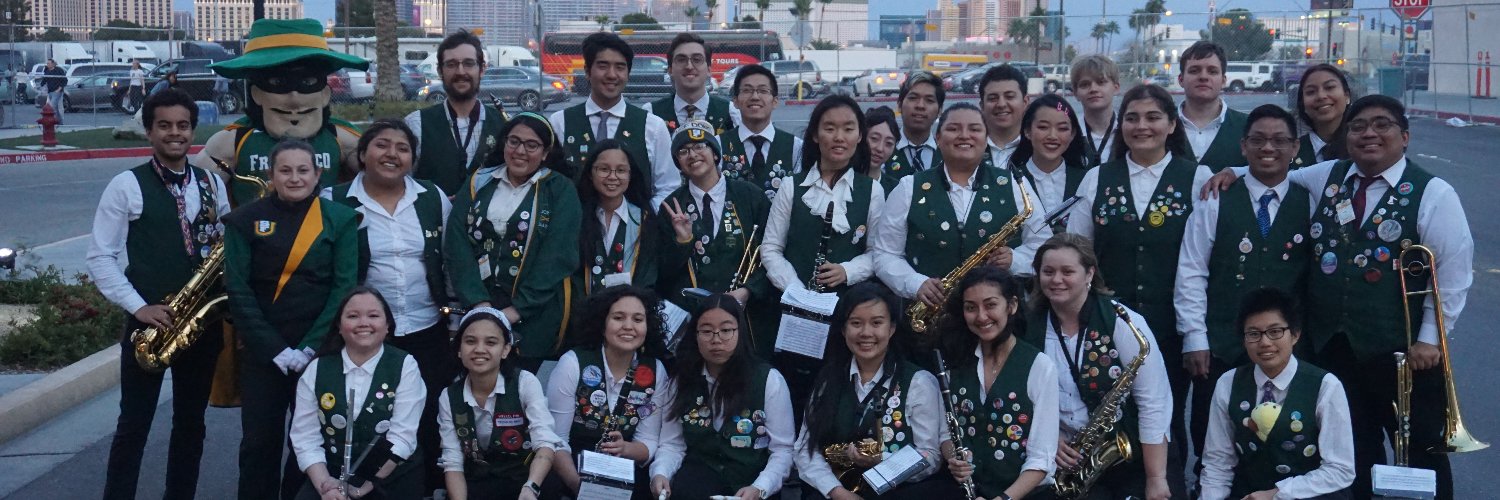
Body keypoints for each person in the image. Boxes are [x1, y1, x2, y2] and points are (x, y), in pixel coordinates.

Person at [1201, 95, 1473, 500]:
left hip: (1403, 350)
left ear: (1405, 136)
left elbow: (1452, 273)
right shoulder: (1329, 174)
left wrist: (1431, 337)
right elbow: (1275, 170)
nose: (1368, 134)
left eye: (1381, 125)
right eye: (1358, 126)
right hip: (1335, 348)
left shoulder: (1433, 192)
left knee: (1420, 452)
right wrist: (1234, 170)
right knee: (1353, 450)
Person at [1065, 84, 1213, 495]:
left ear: (1171, 124)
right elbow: (1079, 252)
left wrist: (1195, 334)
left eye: (1152, 117)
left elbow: (1200, 262)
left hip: (1171, 326)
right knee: (1107, 421)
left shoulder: (1197, 176)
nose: (1141, 126)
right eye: (1132, 117)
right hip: (1108, 326)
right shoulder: (1098, 178)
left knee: (1164, 418)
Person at [86, 89, 232, 500]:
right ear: (149, 131)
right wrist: (140, 307)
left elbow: (221, 244)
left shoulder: (209, 181)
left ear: (193, 130)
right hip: (149, 322)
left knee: (191, 423)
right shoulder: (125, 185)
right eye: (164, 126)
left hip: (199, 319)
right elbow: (100, 257)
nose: (175, 134)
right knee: (134, 425)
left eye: (183, 126)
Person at [1176, 104, 1314, 483]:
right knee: (1213, 435)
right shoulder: (1216, 198)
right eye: (1258, 140)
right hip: (1222, 342)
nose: (1268, 148)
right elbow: (1191, 270)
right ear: (1242, 146)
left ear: (1295, 147)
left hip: (1288, 346)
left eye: (1279, 140)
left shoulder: (1312, 197)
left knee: (1288, 438)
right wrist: (1195, 337)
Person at [223, 138, 361, 499]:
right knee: (257, 445)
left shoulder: (341, 220)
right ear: (271, 174)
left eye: (304, 170)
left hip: (322, 353)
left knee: (313, 446)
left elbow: (344, 289)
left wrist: (311, 347)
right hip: (263, 353)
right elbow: (237, 290)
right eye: (285, 170)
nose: (295, 177)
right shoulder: (243, 220)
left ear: (318, 175)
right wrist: (275, 350)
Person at [323, 118, 453, 496]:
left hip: (427, 328)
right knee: (367, 418)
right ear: (362, 153)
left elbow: (446, 261)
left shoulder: (431, 197)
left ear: (412, 158)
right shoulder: (335, 200)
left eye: (402, 148)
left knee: (429, 418)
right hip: (367, 335)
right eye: (382, 145)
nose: (392, 154)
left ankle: (429, 489)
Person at [760, 95, 885, 421]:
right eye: (829, 128)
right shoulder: (791, 186)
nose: (839, 137)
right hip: (794, 312)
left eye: (848, 129)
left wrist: (846, 271)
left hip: (846, 314)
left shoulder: (872, 191)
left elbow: (879, 254)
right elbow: (770, 249)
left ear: (860, 136)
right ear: (815, 135)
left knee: (836, 393)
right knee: (793, 391)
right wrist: (796, 290)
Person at [1022, 233, 1172, 500]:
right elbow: (1022, 396)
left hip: (1125, 455)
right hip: (1057, 458)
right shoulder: (1027, 325)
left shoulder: (1124, 324)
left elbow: (1153, 403)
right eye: (1048, 271)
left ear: (1089, 273)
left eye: (1067, 271)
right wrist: (1051, 439)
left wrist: (1156, 479)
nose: (1056, 280)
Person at [875, 103, 1050, 311]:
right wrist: (916, 283)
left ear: (986, 140)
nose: (964, 135)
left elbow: (1044, 245)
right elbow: (885, 254)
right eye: (953, 129)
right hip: (929, 318)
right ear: (938, 138)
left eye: (975, 129)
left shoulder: (1013, 184)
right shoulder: (908, 187)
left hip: (997, 319)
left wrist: (1016, 260)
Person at [447, 113, 581, 370]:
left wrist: (515, 311)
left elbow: (557, 255)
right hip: (480, 309)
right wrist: (481, 306)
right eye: (514, 141)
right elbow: (456, 242)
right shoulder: (479, 181)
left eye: (532, 145)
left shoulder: (560, 189)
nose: (520, 151)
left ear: (545, 153)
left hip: (535, 314)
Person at [1198, 287, 1355, 500]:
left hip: (1309, 495)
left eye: (1275, 332)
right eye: (1254, 334)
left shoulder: (1326, 385)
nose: (1265, 342)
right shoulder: (1227, 383)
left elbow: (1340, 470)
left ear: (1295, 335)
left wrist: (1277, 494)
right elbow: (1218, 462)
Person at [651, 294, 796, 499]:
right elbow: (672, 443)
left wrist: (760, 487)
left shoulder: (769, 380)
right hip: (699, 481)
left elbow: (782, 450)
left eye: (726, 331)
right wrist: (660, 473)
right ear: (695, 335)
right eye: (707, 331)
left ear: (740, 331)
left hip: (752, 482)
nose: (716, 340)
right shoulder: (681, 380)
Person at [288, 287, 426, 499]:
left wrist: (364, 484)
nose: (363, 323)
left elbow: (403, 436)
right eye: (353, 316)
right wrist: (326, 486)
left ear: (387, 325)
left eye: (373, 316)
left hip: (389, 473)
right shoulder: (317, 369)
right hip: (331, 473)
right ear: (339, 326)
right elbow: (305, 437)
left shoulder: (405, 365)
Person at [937, 266, 1059, 500]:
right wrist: (954, 460)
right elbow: (946, 434)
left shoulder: (1040, 366)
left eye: (990, 305)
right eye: (971, 308)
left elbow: (1041, 458)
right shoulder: (955, 363)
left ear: (1011, 306)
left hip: (1022, 495)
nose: (981, 316)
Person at [544, 286, 672, 499]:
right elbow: (557, 439)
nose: (628, 326)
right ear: (602, 324)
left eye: (638, 319)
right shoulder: (573, 363)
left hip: (624, 465)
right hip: (573, 460)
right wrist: (581, 488)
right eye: (618, 317)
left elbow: (649, 440)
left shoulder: (655, 370)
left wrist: (625, 448)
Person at [655, 120, 772, 329]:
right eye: (683, 151)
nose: (692, 155)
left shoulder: (750, 196)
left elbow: (773, 253)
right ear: (678, 164)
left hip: (746, 317)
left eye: (699, 146)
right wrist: (683, 243)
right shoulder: (671, 207)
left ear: (715, 154)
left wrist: (748, 291)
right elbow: (662, 273)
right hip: (692, 319)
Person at [437, 307, 560, 500]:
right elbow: (453, 462)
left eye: (491, 342)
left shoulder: (525, 382)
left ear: (505, 350)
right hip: (478, 480)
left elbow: (544, 443)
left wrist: (531, 487)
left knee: (550, 486)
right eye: (470, 341)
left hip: (524, 477)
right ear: (459, 350)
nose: (479, 349)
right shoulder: (449, 396)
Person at [549, 32, 677, 208]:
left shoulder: (652, 126)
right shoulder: (559, 123)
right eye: (603, 66)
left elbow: (668, 187)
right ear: (587, 71)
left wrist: (640, 220)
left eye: (620, 67)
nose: (612, 75)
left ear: (628, 73)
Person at [405, 30, 509, 196]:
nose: (461, 72)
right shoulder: (415, 124)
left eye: (468, 63)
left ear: (482, 69)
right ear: (440, 71)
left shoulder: (505, 125)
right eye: (451, 64)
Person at [573, 139, 661, 298]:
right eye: (604, 169)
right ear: (590, 174)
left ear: (630, 175)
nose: (612, 177)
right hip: (584, 314)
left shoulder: (644, 219)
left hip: (629, 314)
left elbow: (647, 277)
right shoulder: (577, 217)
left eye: (621, 170)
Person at [719, 63, 803, 201]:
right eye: (747, 90)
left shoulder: (796, 147)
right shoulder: (717, 145)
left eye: (763, 91)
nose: (755, 97)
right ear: (735, 101)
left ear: (775, 101)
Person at [1008, 94, 1089, 234]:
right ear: (1027, 131)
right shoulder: (1010, 182)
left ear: (1073, 134)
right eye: (1043, 127)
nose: (1052, 136)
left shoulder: (1087, 180)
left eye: (1062, 128)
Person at [644, 33, 740, 134]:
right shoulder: (650, 113)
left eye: (697, 60)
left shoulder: (732, 113)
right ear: (670, 70)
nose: (689, 66)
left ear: (708, 69)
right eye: (681, 60)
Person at [1177, 41, 1248, 171]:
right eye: (1194, 71)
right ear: (1181, 79)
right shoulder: (1160, 127)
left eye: (1212, 71)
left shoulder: (1248, 126)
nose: (1203, 76)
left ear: (1223, 80)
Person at [882, 71, 944, 182]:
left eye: (929, 100)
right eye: (913, 98)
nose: (920, 105)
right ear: (899, 105)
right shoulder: (881, 151)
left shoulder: (948, 155)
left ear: (940, 110)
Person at [1293, 63, 1352, 168]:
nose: (1321, 96)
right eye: (1311, 92)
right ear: (1303, 104)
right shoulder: (1292, 152)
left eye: (1329, 87)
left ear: (1346, 96)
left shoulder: (1362, 146)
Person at [1069, 55, 1122, 167]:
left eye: (1101, 82)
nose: (1093, 89)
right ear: (1075, 93)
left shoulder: (1128, 131)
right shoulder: (1068, 133)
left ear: (1116, 88)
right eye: (1085, 84)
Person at [979, 65, 1031, 170]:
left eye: (1010, 97)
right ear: (982, 106)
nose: (1001, 104)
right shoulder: (969, 147)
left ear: (1025, 102)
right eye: (993, 98)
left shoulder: (1038, 148)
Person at [863, 106, 901, 193]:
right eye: (874, 138)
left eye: (889, 143)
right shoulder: (841, 179)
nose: (880, 148)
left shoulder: (896, 189)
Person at [42, 59, 65, 123]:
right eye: (47, 63)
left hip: (57, 91)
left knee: (52, 106)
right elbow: (44, 80)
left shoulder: (59, 70)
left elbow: (64, 80)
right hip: (50, 92)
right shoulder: (46, 71)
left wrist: (59, 89)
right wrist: (41, 86)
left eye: (49, 63)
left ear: (53, 64)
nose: (48, 65)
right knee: (53, 107)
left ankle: (51, 121)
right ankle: (59, 120)